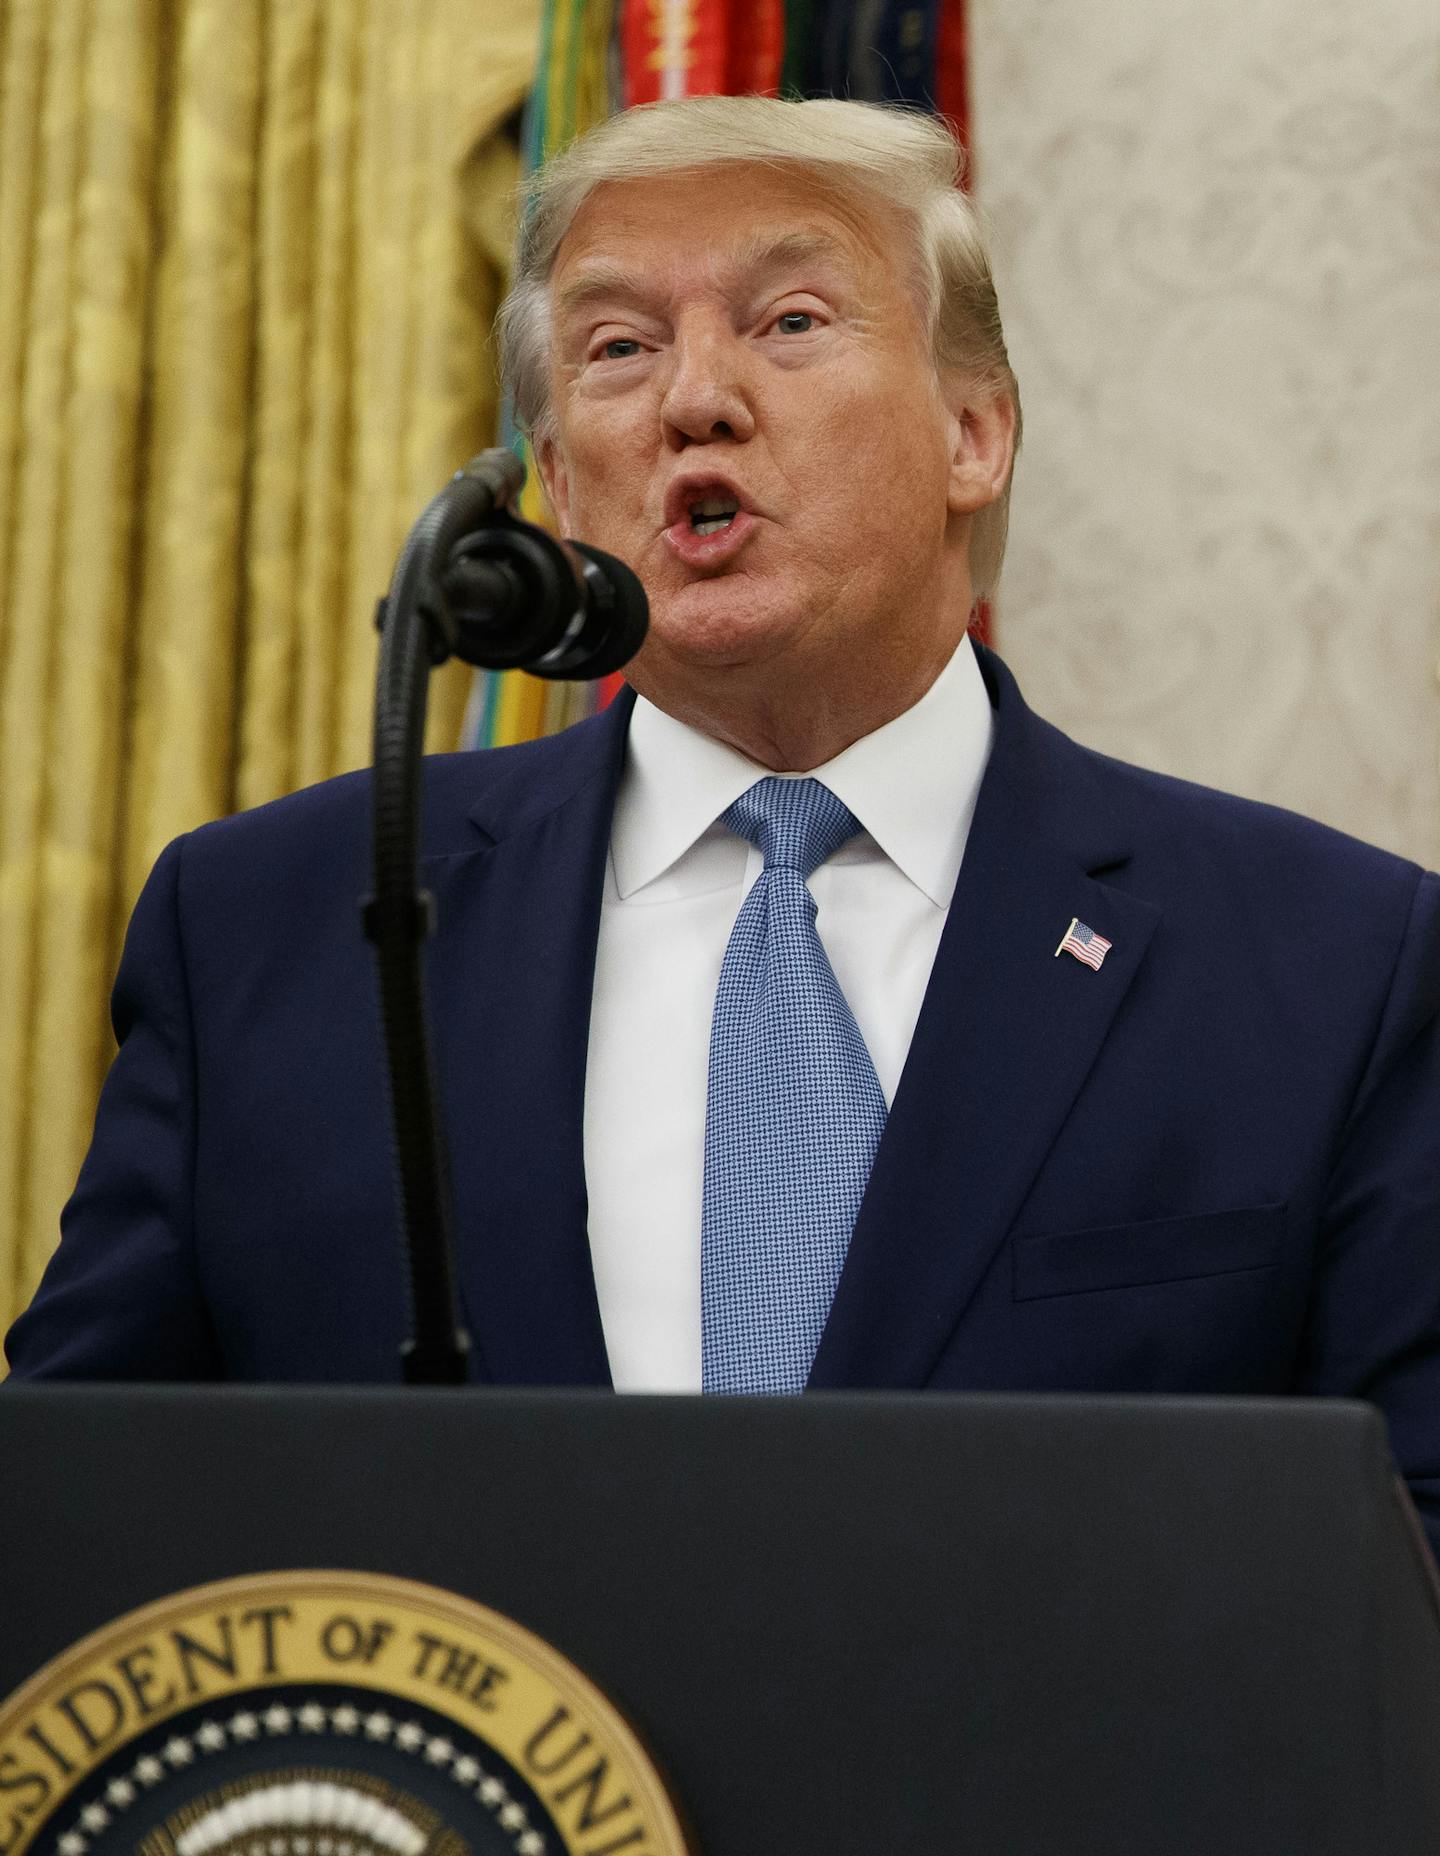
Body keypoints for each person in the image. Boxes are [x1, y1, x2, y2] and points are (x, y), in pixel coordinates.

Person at [7, 98, 1439, 1553]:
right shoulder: (276, 927)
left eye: (792, 320)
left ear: (975, 433)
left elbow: (1409, 1563)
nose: (694, 396)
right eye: (617, 348)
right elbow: (76, 1514)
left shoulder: (1331, 966)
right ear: (559, 486)